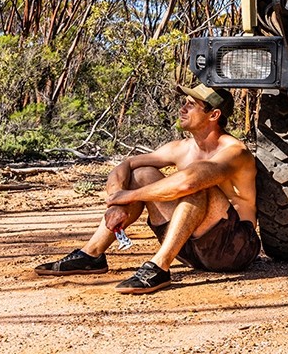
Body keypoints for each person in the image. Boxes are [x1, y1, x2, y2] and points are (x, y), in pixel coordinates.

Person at [33, 83, 259, 294]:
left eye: (191, 104)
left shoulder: (234, 151)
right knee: (142, 174)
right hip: (190, 250)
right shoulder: (180, 148)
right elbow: (127, 164)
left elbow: (189, 182)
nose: (182, 108)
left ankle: (159, 267)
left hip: (233, 248)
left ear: (214, 115)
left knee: (197, 186)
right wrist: (116, 199)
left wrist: (128, 196)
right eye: (185, 102)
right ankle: (91, 255)